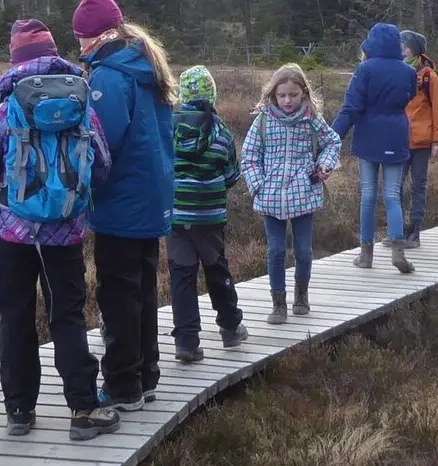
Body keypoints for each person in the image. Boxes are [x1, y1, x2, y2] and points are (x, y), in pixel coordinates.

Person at [0, 20, 119, 440]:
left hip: (10, 234)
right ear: (54, 54)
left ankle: (19, 411)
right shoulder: (81, 104)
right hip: (64, 233)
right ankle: (84, 409)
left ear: (15, 60)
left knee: (16, 317)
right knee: (66, 316)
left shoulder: (4, 109)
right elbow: (101, 167)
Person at [70, 0, 178, 413]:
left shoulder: (110, 78)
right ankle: (145, 374)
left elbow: (101, 144)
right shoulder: (146, 67)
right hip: (151, 199)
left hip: (121, 203)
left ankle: (121, 384)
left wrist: (80, 189)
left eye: (83, 36)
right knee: (142, 289)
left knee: (118, 295)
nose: (79, 45)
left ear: (104, 34)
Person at [241, 65, 341, 324]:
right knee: (275, 251)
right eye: (282, 95)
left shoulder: (312, 118)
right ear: (273, 94)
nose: (287, 100)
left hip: (304, 194)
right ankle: (278, 304)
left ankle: (301, 296)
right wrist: (258, 186)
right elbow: (249, 157)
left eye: (293, 95)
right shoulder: (263, 120)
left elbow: (333, 142)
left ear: (303, 93)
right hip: (270, 197)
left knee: (304, 251)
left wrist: (325, 165)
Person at [168, 65, 247, 362]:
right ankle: (230, 328)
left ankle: (186, 341)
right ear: (211, 94)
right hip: (210, 217)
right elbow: (231, 175)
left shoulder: (167, 126)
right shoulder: (221, 131)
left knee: (182, 276)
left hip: (175, 216)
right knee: (217, 270)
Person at [332, 23, 418, 274]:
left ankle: (366, 254)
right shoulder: (408, 71)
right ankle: (398, 251)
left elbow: (351, 107)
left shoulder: (365, 69)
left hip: (369, 134)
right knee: (393, 195)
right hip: (397, 134)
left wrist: (333, 135)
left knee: (368, 194)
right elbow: (409, 96)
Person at [399, 29, 438, 248]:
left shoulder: (428, 76)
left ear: (415, 50)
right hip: (397, 141)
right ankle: (397, 231)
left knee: (418, 186)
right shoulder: (395, 71)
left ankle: (414, 231)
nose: (401, 49)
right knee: (394, 187)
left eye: (405, 45)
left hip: (421, 142)